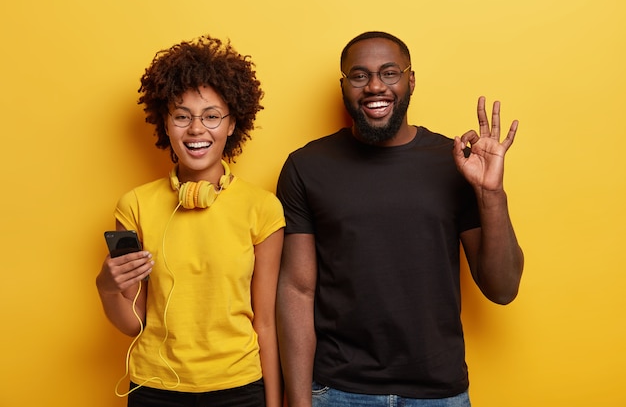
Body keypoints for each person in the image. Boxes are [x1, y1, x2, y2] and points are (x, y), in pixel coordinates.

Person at [276, 31, 524, 407]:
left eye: (389, 73)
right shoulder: (306, 166)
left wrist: (490, 193)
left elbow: (502, 289)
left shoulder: (454, 162)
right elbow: (297, 289)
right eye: (359, 75)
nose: (375, 86)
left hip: (439, 394)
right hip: (339, 392)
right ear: (344, 86)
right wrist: (298, 401)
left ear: (411, 80)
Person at [96, 35, 285, 407]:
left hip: (240, 389)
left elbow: (265, 323)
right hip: (155, 388)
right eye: (182, 116)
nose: (196, 129)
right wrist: (105, 286)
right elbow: (135, 324)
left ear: (232, 125)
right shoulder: (134, 205)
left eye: (212, 116)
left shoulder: (262, 208)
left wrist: (274, 402)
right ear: (165, 125)